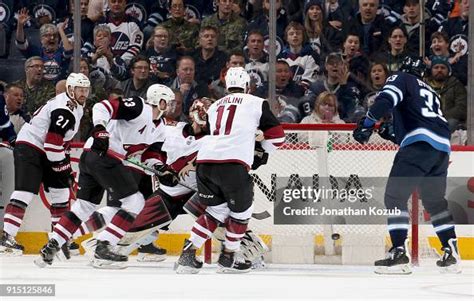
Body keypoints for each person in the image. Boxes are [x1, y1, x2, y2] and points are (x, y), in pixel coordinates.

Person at [34, 84, 174, 269]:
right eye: (169, 102)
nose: (172, 106)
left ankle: (53, 245)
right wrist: (100, 128)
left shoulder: (161, 128)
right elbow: (103, 107)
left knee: (84, 206)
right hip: (104, 155)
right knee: (135, 202)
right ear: (161, 101)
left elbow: (150, 156)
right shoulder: (141, 107)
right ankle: (103, 248)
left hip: (95, 157)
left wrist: (162, 170)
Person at [353, 56, 461, 274]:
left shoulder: (401, 78)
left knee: (394, 197)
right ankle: (451, 251)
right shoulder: (431, 92)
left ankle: (399, 253)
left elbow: (383, 101)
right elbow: (420, 122)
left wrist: (367, 123)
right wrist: (390, 132)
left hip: (419, 146)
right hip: (441, 149)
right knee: (434, 202)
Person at [175, 67, 285, 274]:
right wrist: (262, 152)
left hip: (205, 162)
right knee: (242, 212)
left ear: (227, 86)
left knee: (216, 211)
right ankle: (228, 259)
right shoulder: (256, 103)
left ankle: (187, 255)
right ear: (247, 86)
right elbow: (278, 137)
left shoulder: (215, 105)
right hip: (232, 164)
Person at [0, 73, 90, 255]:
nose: (83, 93)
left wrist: (64, 169)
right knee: (25, 191)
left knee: (61, 192)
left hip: (47, 149)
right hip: (31, 146)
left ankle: (60, 238)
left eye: (86, 90)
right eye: (80, 89)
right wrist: (64, 168)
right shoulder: (64, 109)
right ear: (71, 90)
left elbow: (57, 144)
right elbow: (52, 143)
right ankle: (6, 238)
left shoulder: (75, 106)